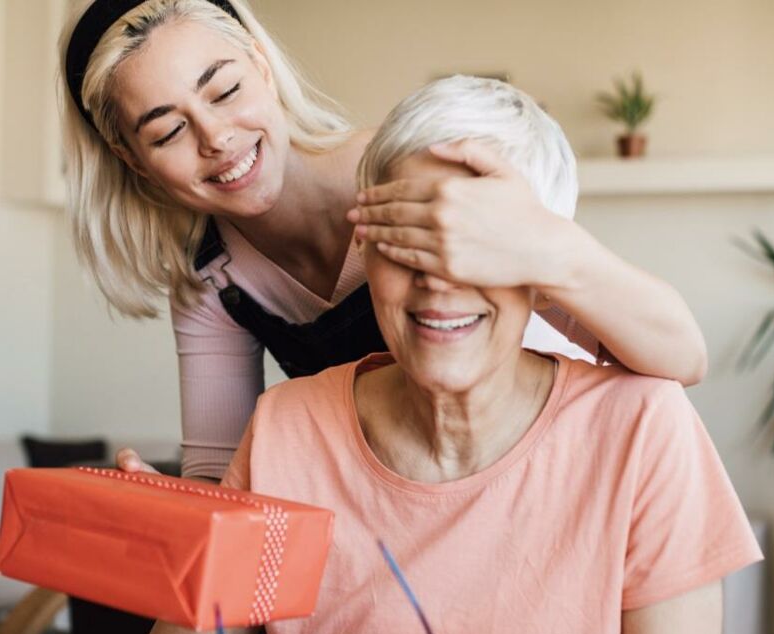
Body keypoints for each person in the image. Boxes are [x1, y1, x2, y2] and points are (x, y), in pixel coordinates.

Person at [133, 75, 761, 634]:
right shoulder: (285, 428)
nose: (438, 279)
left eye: (478, 248)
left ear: (546, 277)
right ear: (366, 251)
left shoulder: (643, 430)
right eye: (409, 241)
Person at [61, 0, 708, 482]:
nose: (216, 138)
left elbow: (682, 355)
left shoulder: (420, 168)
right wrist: (178, 511)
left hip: (545, 470)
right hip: (396, 504)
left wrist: (539, 240)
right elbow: (225, 477)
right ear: (133, 157)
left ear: (261, 66)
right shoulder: (216, 279)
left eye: (225, 90)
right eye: (167, 131)